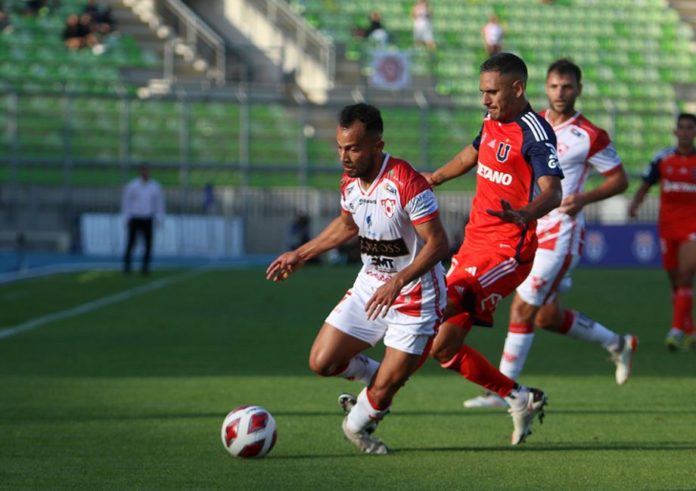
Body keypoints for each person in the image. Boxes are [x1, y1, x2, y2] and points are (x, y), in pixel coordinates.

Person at [266, 103, 449, 455]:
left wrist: (399, 282)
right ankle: (379, 377)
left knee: (382, 394)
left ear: (377, 146)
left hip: (416, 295)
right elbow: (348, 225)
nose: (344, 157)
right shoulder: (349, 180)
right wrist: (301, 254)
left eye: (353, 148)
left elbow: (439, 244)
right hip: (371, 284)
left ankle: (359, 424)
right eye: (340, 148)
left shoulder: (406, 182)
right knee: (322, 361)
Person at [463, 58, 637, 409]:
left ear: (579, 90)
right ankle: (618, 343)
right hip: (528, 228)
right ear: (544, 87)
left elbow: (620, 179)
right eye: (555, 86)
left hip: (561, 233)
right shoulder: (532, 124)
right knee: (545, 316)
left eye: (568, 87)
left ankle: (502, 391)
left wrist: (583, 198)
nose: (560, 93)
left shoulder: (589, 134)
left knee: (523, 309)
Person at [424, 52, 563, 445]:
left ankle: (372, 394)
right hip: (472, 246)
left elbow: (554, 192)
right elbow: (473, 153)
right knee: (442, 346)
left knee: (434, 307)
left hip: (507, 252)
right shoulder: (491, 120)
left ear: (517, 89)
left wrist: (525, 213)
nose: (485, 99)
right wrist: (433, 177)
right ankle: (519, 396)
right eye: (482, 92)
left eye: (492, 92)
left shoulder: (535, 133)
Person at [629, 113, 696, 351]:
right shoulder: (663, 158)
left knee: (686, 275)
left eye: (690, 128)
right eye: (682, 128)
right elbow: (646, 183)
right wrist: (635, 203)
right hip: (667, 226)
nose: (686, 132)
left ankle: (676, 330)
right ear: (675, 132)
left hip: (693, 227)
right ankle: (689, 329)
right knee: (676, 282)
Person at [122, 164, 165, 275]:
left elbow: (159, 204)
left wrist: (159, 218)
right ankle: (127, 266)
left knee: (148, 244)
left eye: (147, 171)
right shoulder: (133, 185)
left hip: (148, 218)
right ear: (140, 172)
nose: (145, 173)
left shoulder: (155, 187)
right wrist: (127, 216)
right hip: (135, 217)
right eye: (143, 171)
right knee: (131, 243)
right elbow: (126, 202)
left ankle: (145, 267)